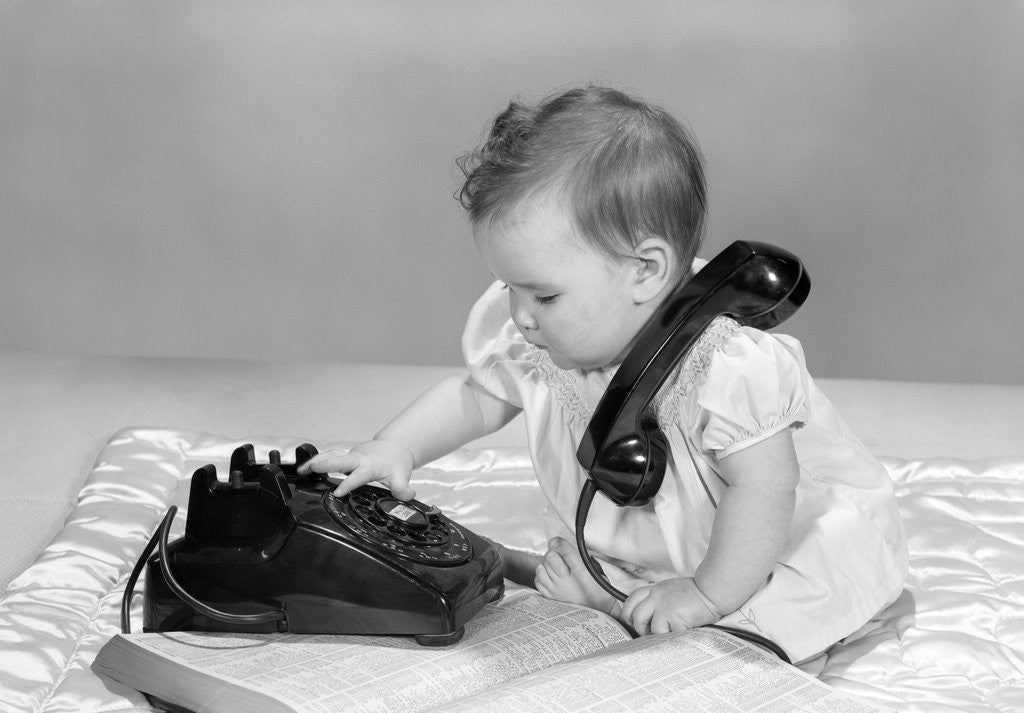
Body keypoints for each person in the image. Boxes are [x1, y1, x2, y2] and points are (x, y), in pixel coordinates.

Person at [299, 85, 906, 664]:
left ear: (645, 270)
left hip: (756, 550)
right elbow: (474, 396)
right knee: (582, 573)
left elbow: (765, 492)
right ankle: (619, 599)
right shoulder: (551, 342)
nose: (520, 316)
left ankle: (698, 613)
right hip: (649, 550)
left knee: (766, 626)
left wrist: (706, 595)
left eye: (543, 296)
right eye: (510, 289)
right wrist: (393, 448)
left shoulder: (727, 368)